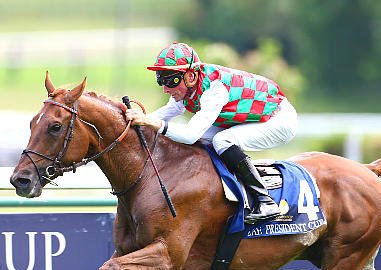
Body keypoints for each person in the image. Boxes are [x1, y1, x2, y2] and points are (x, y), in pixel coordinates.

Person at [125, 42, 298, 224]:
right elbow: (170, 111)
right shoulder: (189, 86)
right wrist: (139, 119)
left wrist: (150, 122)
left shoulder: (215, 90)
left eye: (171, 81)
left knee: (222, 140)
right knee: (206, 138)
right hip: (253, 117)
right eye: (161, 80)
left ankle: (265, 201)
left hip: (279, 119)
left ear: (191, 76)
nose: (165, 88)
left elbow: (189, 135)